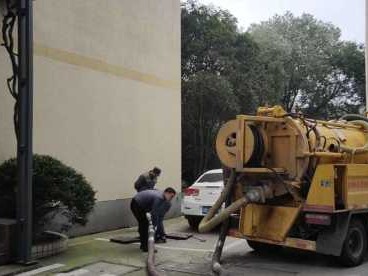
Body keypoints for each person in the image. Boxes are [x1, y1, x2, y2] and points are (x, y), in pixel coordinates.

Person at [130, 187, 176, 252]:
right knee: (144, 224)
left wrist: (155, 227)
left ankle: (144, 245)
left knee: (144, 224)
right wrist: (154, 226)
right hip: (136, 204)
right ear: (167, 193)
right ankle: (145, 247)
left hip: (141, 204)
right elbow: (154, 213)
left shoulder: (163, 198)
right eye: (171, 196)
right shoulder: (159, 198)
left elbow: (159, 216)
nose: (171, 198)